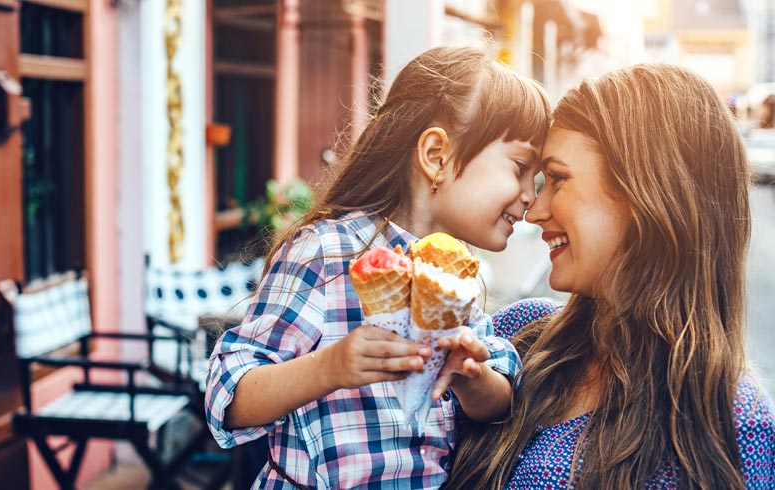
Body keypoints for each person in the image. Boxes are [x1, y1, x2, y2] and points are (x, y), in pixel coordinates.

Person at [204, 45, 551, 488]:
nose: (531, 196)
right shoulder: (327, 253)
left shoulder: (455, 273)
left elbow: (502, 398)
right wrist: (328, 368)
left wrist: (471, 375)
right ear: (435, 155)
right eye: (521, 168)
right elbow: (225, 396)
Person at [446, 64, 775, 489]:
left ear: (646, 191)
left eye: (558, 178)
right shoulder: (514, 336)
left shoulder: (734, 423)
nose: (534, 210)